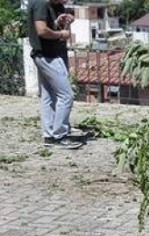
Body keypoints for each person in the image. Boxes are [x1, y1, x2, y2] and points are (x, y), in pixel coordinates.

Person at [27, 0, 82, 150]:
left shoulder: (51, 5)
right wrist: (61, 32)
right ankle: (60, 135)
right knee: (66, 95)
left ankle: (49, 135)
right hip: (47, 56)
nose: (66, 1)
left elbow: (50, 29)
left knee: (48, 96)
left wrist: (60, 23)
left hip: (48, 55)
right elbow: (42, 31)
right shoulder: (41, 4)